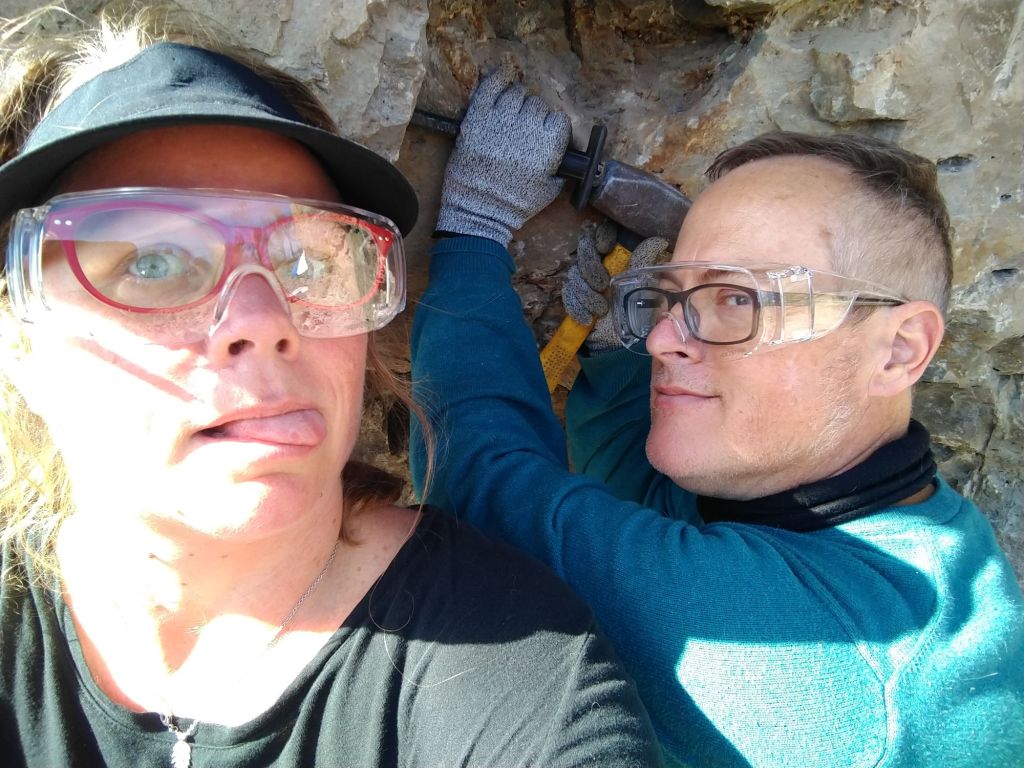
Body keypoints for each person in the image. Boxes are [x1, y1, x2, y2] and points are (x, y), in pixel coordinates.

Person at [0, 7, 664, 767]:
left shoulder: (524, 676)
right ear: (19, 345)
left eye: (310, 262)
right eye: (151, 262)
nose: (264, 320)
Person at [410, 65, 1024, 767]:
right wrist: (614, 357)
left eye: (738, 298)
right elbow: (659, 505)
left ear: (898, 349)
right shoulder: (915, 530)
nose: (661, 339)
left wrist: (477, 227)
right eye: (670, 295)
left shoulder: (804, 668)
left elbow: (481, 481)